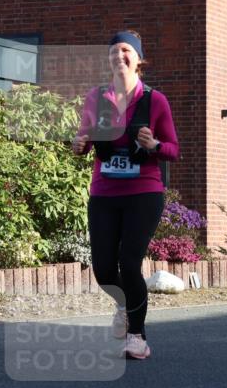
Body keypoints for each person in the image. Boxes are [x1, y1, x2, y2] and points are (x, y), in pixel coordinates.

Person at [71, 30, 179, 360]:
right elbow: (86, 138)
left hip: (143, 193)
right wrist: (79, 145)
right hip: (104, 192)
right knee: (104, 269)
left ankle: (138, 336)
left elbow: (173, 150)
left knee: (129, 263)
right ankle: (122, 304)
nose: (118, 56)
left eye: (125, 51)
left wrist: (154, 145)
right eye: (113, 53)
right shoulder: (96, 98)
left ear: (138, 59)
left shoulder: (154, 101)